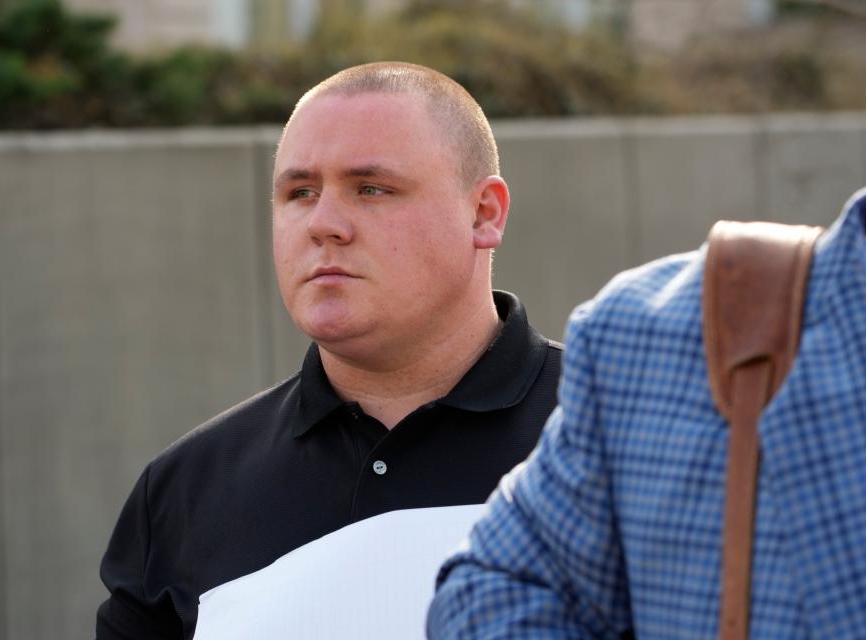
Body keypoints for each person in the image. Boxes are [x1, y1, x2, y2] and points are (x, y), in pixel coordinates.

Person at [96, 61, 563, 639]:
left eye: (371, 188)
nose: (324, 224)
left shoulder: (625, 442)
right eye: (299, 192)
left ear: (484, 212)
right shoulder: (181, 493)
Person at [428, 188, 866, 639]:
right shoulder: (648, 344)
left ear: (486, 213)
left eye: (373, 190)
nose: (346, 226)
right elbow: (491, 594)